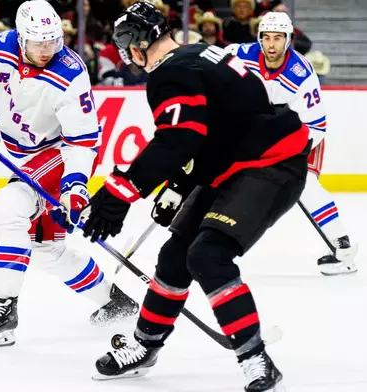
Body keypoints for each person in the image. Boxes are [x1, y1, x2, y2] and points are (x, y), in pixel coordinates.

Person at [82, 3, 310, 391]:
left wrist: (120, 192)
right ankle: (144, 346)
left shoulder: (170, 72)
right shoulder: (197, 53)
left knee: (208, 255)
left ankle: (257, 359)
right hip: (237, 162)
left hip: (270, 165)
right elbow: (216, 128)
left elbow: (180, 137)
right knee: (174, 258)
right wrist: (181, 184)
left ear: (136, 47)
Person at [0, 0, 139, 348]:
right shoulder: (1, 47)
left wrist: (75, 186)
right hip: (22, 156)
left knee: (9, 205)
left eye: (53, 40)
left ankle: (4, 309)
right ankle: (114, 301)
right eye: (38, 42)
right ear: (21, 38)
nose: (47, 49)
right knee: (47, 248)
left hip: (59, 153)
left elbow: (82, 141)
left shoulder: (70, 72)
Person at [226, 12, 357, 275]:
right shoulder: (238, 54)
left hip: (301, 134)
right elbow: (207, 69)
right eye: (266, 37)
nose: (272, 45)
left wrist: (278, 152)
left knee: (304, 183)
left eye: (278, 38)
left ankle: (342, 247)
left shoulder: (301, 73)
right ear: (258, 38)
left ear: (288, 40)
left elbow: (316, 127)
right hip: (257, 132)